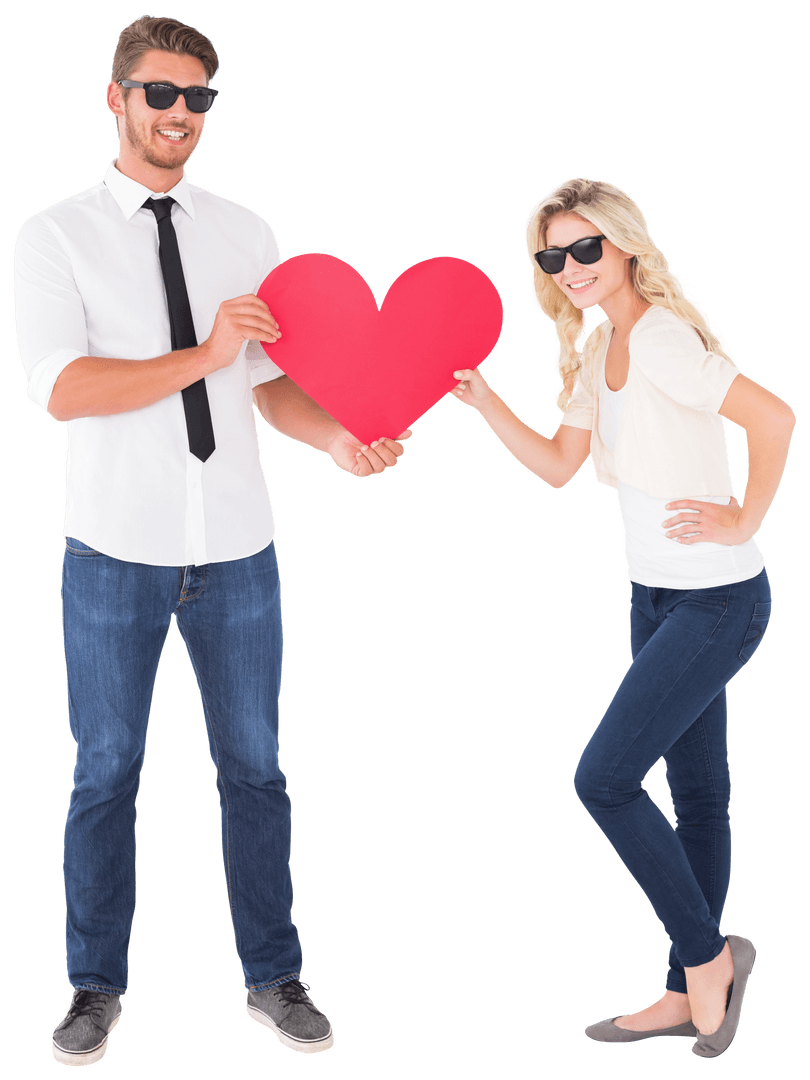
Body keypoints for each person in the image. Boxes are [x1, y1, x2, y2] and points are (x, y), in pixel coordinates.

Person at [13, 14, 410, 1066]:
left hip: (239, 550)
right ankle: (94, 986)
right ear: (117, 98)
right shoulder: (54, 236)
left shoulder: (246, 233)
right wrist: (204, 351)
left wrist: (338, 439)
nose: (179, 112)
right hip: (113, 552)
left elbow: (269, 385)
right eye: (159, 92)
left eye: (197, 97)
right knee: (106, 772)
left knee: (258, 769)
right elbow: (64, 388)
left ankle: (274, 978)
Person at [451, 178, 794, 1058]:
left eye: (585, 248)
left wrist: (744, 518)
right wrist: (486, 401)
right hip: (654, 596)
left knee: (603, 780)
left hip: (718, 601)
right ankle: (686, 990)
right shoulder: (602, 342)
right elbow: (559, 466)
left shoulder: (666, 340)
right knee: (699, 797)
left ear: (625, 245)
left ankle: (709, 959)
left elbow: (774, 417)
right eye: (552, 255)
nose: (569, 267)